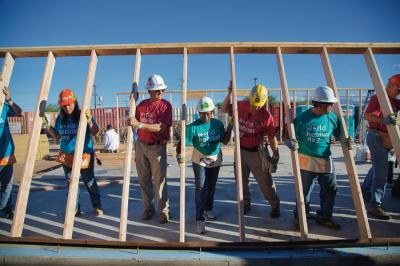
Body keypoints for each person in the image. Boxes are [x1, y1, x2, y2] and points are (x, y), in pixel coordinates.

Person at [221, 82, 281, 218]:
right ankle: (245, 205)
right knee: (241, 183)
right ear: (249, 99)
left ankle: (275, 205)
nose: (255, 108)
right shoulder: (240, 106)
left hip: (257, 153)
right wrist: (230, 93)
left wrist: (275, 152)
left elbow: (272, 137)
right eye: (253, 105)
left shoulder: (266, 117)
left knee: (266, 182)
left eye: (258, 106)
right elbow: (224, 109)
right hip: (240, 151)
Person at [176, 96, 231, 234]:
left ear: (212, 111)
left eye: (208, 113)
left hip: (215, 158)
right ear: (198, 113)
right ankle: (199, 219)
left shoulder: (217, 124)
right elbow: (181, 143)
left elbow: (224, 141)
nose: (206, 116)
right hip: (199, 158)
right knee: (200, 188)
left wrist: (230, 125)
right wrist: (179, 154)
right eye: (202, 113)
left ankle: (208, 209)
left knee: (211, 186)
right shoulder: (193, 127)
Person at [45, 88, 103, 217]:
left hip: (84, 154)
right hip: (66, 155)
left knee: (89, 182)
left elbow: (95, 132)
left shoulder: (83, 115)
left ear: (75, 102)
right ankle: (75, 209)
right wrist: (46, 125)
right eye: (64, 106)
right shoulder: (61, 118)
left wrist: (89, 120)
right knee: (71, 184)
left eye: (69, 104)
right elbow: (57, 137)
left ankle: (97, 205)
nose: (67, 108)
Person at [290, 86, 342, 230]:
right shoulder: (302, 119)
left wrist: (346, 139)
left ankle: (325, 217)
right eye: (329, 103)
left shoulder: (331, 118)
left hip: (325, 157)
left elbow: (339, 135)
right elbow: (289, 136)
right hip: (307, 158)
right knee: (304, 191)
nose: (332, 106)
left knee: (330, 188)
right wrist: (291, 142)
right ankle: (300, 217)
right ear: (319, 104)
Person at [128, 74, 172, 224]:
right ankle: (148, 208)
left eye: (162, 90)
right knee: (143, 180)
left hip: (157, 147)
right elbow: (132, 120)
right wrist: (132, 100)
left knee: (159, 181)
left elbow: (161, 127)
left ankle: (163, 211)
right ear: (150, 91)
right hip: (141, 145)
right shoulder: (141, 106)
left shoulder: (165, 106)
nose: (161, 93)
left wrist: (140, 124)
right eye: (157, 90)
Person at [361, 74, 400, 220]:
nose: (398, 92)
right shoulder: (379, 98)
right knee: (381, 174)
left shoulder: (395, 102)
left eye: (398, 89)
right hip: (377, 136)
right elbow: (367, 116)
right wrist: (384, 121)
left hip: (386, 137)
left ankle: (365, 189)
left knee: (377, 166)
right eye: (397, 88)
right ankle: (374, 205)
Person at [0, 86, 22, 219]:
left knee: (7, 185)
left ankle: (7, 209)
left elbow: (19, 112)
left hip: (6, 153)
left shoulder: (4, 107)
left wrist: (9, 100)